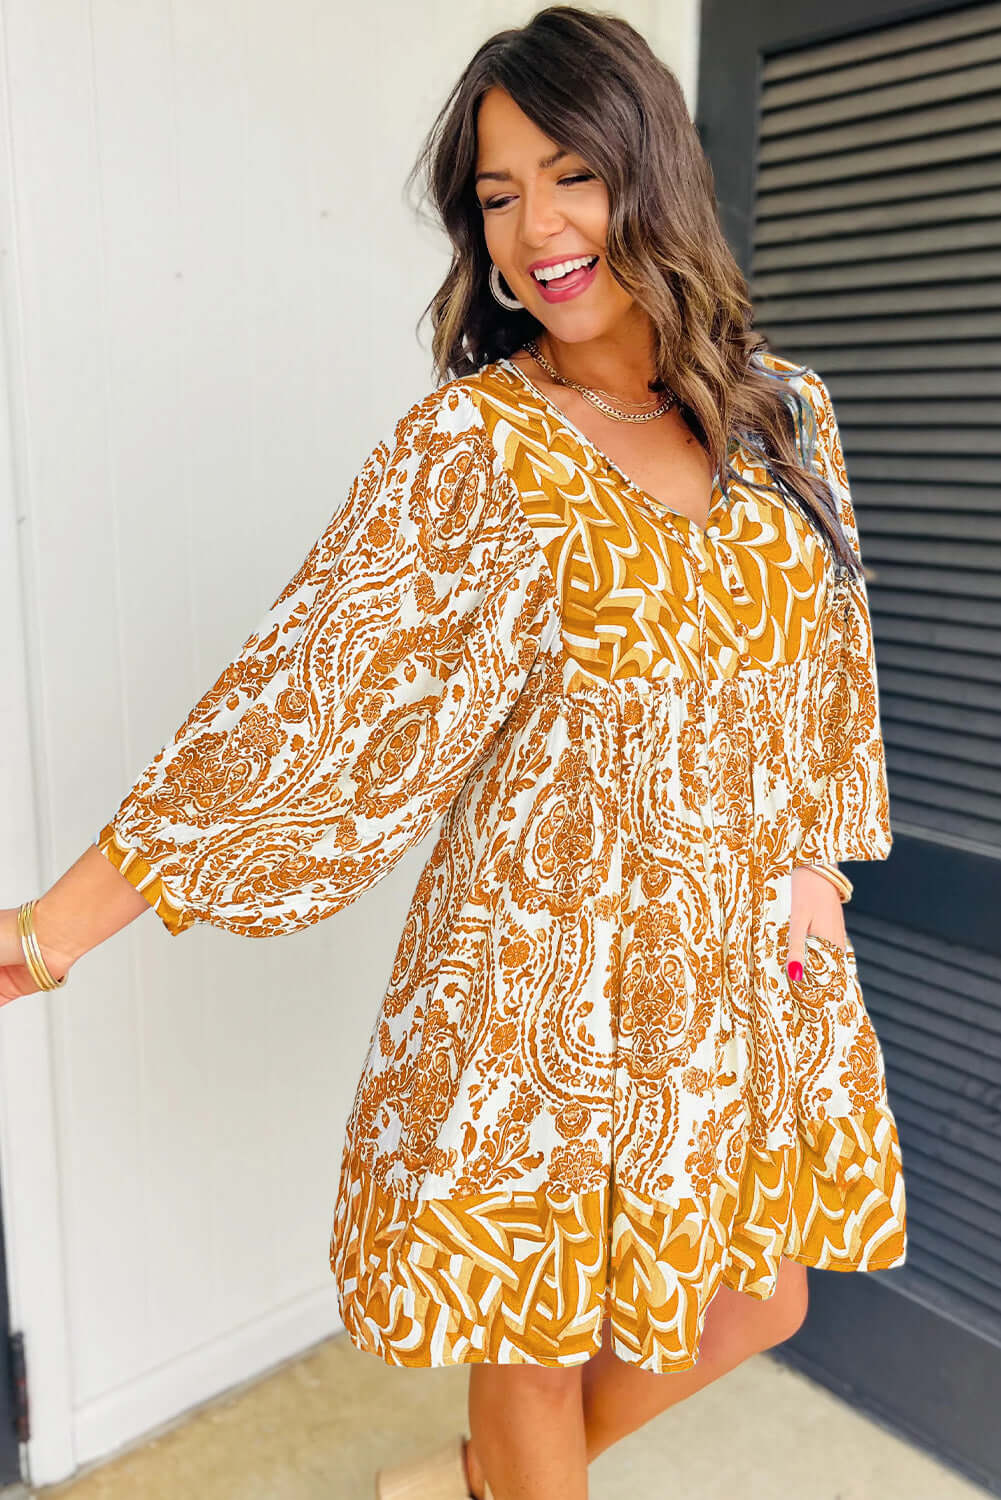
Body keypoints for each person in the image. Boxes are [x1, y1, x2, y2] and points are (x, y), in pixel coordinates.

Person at [1, 7, 907, 1499]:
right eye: (496, 195)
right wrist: (49, 935)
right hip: (533, 965)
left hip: (738, 956)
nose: (536, 228)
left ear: (651, 175)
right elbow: (295, 709)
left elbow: (815, 673)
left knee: (761, 1293)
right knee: (532, 1337)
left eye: (569, 176)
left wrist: (808, 862)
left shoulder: (781, 414)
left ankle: (481, 1481)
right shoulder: (473, 447)